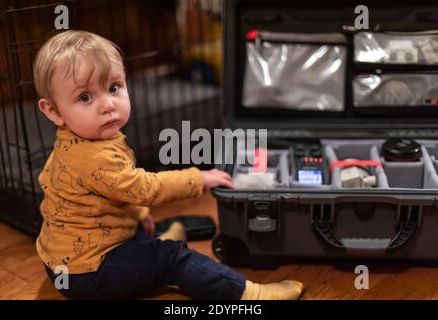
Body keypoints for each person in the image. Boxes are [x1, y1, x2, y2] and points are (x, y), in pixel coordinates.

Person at [33, 30, 304, 300]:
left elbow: (114, 189)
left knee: (144, 235)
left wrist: (139, 214)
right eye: (85, 97)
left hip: (64, 262)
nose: (107, 104)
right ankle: (251, 295)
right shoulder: (92, 156)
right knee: (173, 259)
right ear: (53, 111)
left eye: (113, 87)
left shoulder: (72, 142)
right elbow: (145, 187)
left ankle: (150, 242)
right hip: (88, 273)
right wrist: (198, 178)